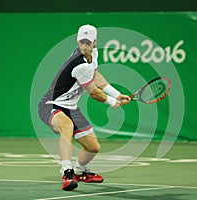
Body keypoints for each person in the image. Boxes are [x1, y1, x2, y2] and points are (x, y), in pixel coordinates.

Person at [38, 24, 131, 191]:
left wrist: (117, 94)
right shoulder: (79, 64)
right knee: (67, 125)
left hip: (71, 108)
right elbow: (94, 92)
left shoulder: (93, 55)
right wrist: (111, 102)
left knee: (93, 147)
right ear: (78, 41)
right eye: (82, 42)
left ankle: (80, 172)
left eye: (88, 42)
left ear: (95, 42)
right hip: (51, 105)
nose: (84, 46)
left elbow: (96, 76)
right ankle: (67, 173)